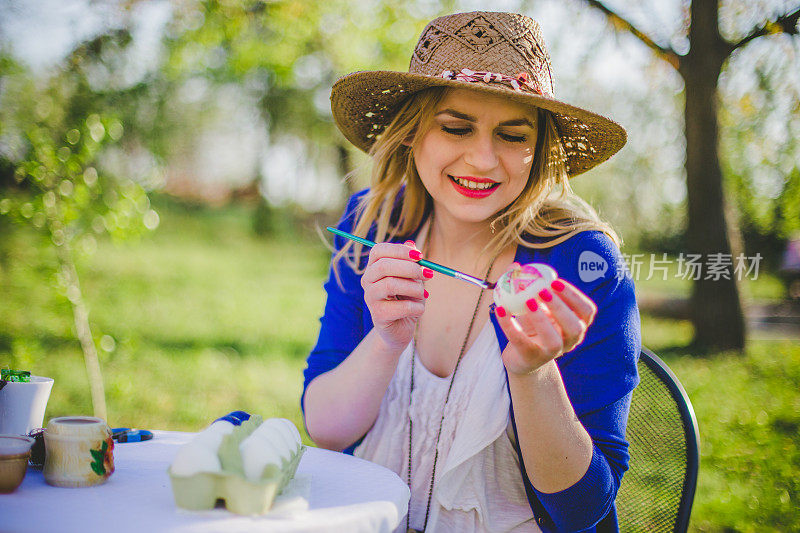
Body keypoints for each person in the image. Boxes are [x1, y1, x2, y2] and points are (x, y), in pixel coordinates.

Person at [302, 11, 640, 533]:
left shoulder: (583, 266)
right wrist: (387, 341)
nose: (483, 159)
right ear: (413, 133)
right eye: (456, 127)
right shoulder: (372, 224)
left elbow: (581, 509)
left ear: (541, 149)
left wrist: (533, 374)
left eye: (511, 135)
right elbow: (324, 429)